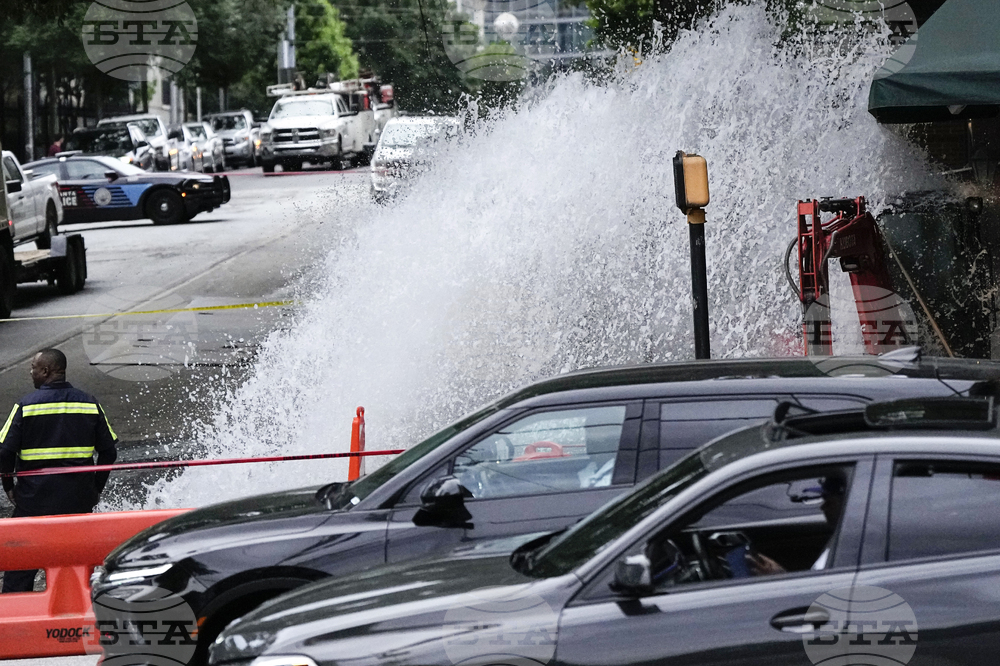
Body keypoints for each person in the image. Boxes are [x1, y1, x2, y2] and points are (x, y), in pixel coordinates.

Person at [0, 349, 118, 593]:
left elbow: (3, 453)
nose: (30, 372)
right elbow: (109, 452)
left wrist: (9, 488)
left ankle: (19, 621)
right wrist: (95, 489)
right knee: (80, 568)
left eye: (33, 367)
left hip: (33, 504)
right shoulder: (89, 403)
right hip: (78, 502)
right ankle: (81, 621)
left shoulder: (25, 406)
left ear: (45, 371)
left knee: (19, 570)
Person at [747, 474, 847, 576]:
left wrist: (780, 577)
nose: (822, 507)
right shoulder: (841, 538)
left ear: (846, 504)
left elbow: (821, 589)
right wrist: (781, 574)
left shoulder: (849, 548)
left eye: (829, 501)